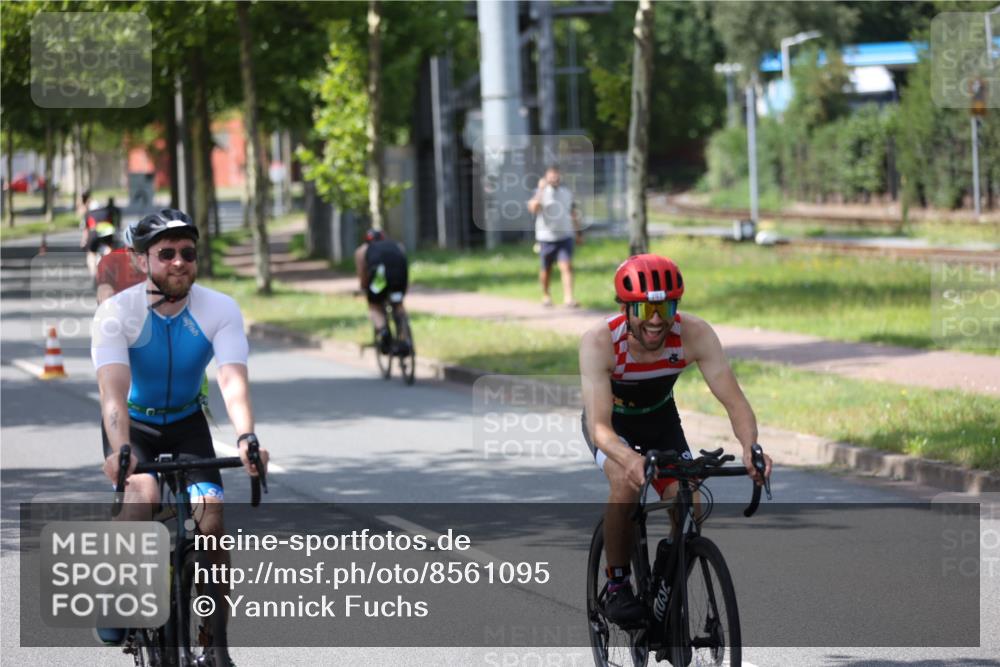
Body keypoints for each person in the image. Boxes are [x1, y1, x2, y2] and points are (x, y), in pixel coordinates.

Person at [91, 208, 268, 664]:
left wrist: (247, 437)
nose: (178, 262)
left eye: (187, 253)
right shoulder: (116, 313)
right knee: (142, 495)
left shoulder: (220, 308)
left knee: (211, 519)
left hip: (188, 421)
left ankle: (215, 641)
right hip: (134, 425)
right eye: (165, 253)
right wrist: (121, 449)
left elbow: (232, 381)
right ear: (142, 260)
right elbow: (112, 392)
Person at [578, 254, 772, 626]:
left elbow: (735, 401)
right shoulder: (600, 342)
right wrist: (630, 459)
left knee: (689, 504)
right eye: (647, 308)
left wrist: (751, 447)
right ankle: (617, 584)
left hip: (660, 420)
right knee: (624, 480)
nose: (656, 319)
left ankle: (666, 583)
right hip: (612, 425)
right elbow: (600, 429)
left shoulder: (694, 334)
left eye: (665, 306)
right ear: (627, 308)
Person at [527, 165, 582, 308]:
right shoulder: (541, 193)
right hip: (546, 238)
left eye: (556, 175)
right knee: (546, 269)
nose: (554, 178)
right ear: (546, 177)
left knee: (567, 267)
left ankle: (569, 298)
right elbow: (533, 208)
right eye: (551, 176)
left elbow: (573, 213)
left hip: (565, 236)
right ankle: (546, 295)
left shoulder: (566, 192)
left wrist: (578, 233)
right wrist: (540, 189)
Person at [354, 228, 410, 355]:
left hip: (380, 278)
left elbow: (363, 274)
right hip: (399, 277)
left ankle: (383, 330)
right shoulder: (397, 245)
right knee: (398, 304)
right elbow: (404, 263)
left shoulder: (362, 250)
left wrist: (365, 290)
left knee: (374, 306)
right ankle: (405, 338)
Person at [95, 220, 146, 303]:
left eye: (146, 251)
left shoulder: (160, 260)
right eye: (136, 251)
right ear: (127, 250)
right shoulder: (110, 260)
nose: (142, 256)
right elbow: (104, 290)